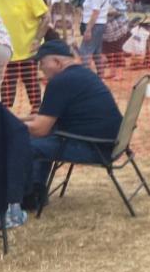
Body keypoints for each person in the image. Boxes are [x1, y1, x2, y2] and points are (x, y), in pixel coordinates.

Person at [22, 40, 122, 209]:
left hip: (96, 148)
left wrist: (10, 124)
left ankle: (30, 195)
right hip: (111, 144)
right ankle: (35, 191)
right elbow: (43, 118)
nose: (40, 69)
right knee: (43, 136)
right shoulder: (83, 73)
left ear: (57, 62)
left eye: (42, 63)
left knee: (23, 143)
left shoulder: (60, 82)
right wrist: (18, 120)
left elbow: (40, 128)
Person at [79, 0, 112, 74]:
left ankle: (86, 77)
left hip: (94, 25)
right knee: (97, 51)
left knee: (85, 52)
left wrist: (88, 29)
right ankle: (100, 75)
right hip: (100, 24)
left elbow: (95, 11)